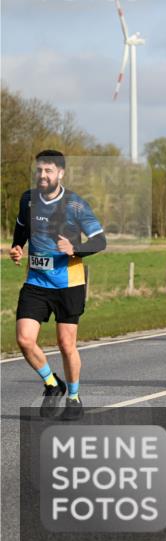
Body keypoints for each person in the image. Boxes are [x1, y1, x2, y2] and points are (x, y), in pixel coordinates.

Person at [10, 150, 106, 420]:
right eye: (39, 170)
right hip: (36, 281)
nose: (42, 175)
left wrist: (75, 249)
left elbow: (100, 241)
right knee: (24, 339)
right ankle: (52, 384)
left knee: (66, 344)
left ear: (60, 173)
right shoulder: (28, 199)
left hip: (68, 283)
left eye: (48, 171)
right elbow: (21, 228)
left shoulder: (75, 205)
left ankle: (74, 398)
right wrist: (17, 247)